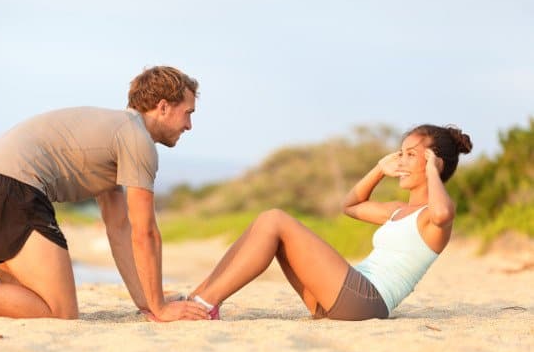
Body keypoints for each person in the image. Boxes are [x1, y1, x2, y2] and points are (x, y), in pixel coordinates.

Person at [0, 66, 209, 322]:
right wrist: (162, 308)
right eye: (188, 113)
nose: (189, 126)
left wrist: (147, 304)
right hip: (12, 189)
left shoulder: (117, 132)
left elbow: (120, 229)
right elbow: (145, 233)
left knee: (26, 299)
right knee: (60, 312)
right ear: (163, 107)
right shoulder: (137, 139)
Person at [187, 124, 473, 321]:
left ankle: (204, 306)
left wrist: (434, 172)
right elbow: (350, 206)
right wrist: (378, 169)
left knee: (276, 219)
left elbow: (442, 214)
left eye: (412, 155)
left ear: (434, 162)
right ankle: (198, 298)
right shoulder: (397, 211)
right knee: (265, 222)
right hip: (341, 298)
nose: (401, 161)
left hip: (367, 301)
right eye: (401, 152)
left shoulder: (432, 219)